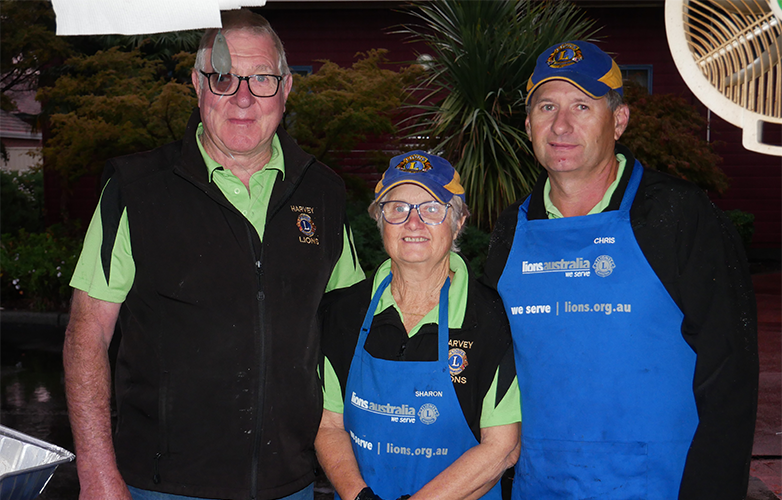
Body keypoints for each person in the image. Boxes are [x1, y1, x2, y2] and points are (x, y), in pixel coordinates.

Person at [63, 9, 364, 500]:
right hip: (162, 488)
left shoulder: (325, 194)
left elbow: (347, 330)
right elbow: (87, 332)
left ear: (286, 88)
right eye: (223, 78)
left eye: (261, 78)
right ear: (197, 85)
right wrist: (97, 473)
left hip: (288, 485)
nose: (243, 97)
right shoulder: (136, 190)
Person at [483, 41, 758, 499]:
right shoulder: (512, 229)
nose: (561, 125)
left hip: (661, 484)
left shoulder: (679, 215)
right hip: (540, 483)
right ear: (529, 123)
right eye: (547, 106)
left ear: (620, 120)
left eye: (582, 106)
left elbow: (730, 375)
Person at [315, 151, 521, 500]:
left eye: (432, 208)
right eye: (397, 208)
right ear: (380, 221)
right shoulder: (341, 313)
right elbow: (328, 425)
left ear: (458, 222)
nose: (413, 222)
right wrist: (358, 496)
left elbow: (502, 448)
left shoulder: (492, 320)